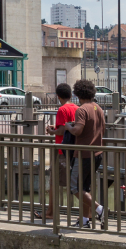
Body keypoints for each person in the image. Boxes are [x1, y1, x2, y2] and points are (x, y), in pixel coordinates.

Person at [63, 79, 108, 228]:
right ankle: (84, 221)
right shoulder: (98, 109)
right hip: (97, 154)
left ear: (78, 94)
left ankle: (100, 209)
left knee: (74, 188)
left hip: (83, 155)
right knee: (85, 188)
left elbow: (78, 130)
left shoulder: (81, 110)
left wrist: (69, 127)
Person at [44, 82, 77, 221]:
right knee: (77, 183)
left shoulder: (62, 110)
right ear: (70, 94)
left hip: (61, 151)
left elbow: (62, 130)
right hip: (74, 151)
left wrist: (52, 131)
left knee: (54, 183)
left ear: (58, 96)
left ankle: (50, 212)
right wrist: (56, 127)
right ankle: (88, 213)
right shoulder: (76, 108)